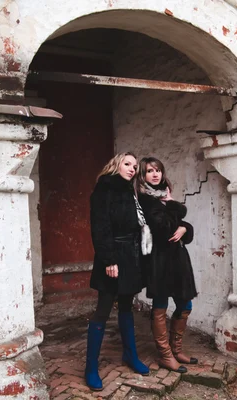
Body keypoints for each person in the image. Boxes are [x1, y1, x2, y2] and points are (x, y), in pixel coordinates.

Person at [85, 152, 151, 391]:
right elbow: (100, 227)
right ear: (115, 164)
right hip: (112, 256)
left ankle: (130, 356)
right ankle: (90, 367)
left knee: (126, 306)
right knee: (103, 309)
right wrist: (109, 260)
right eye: (127, 164)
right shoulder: (105, 189)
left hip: (131, 256)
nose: (132, 169)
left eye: (135, 166)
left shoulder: (129, 191)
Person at [136, 157, 198, 373]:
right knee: (161, 305)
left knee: (185, 304)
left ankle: (176, 349)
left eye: (158, 170)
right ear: (142, 176)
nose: (155, 174)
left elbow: (179, 228)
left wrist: (185, 229)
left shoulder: (163, 197)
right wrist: (175, 208)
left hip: (178, 260)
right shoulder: (146, 200)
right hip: (160, 261)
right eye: (149, 171)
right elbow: (163, 228)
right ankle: (165, 355)